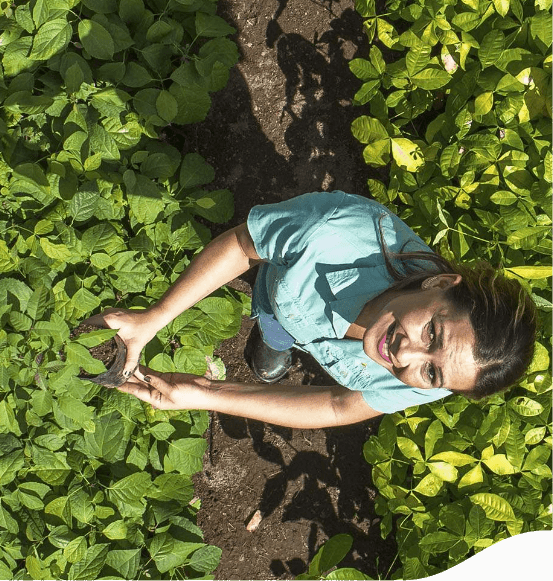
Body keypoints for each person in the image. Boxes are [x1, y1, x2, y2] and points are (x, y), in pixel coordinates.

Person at [88, 191, 537, 428]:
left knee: (282, 334)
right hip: (280, 294)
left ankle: (278, 345)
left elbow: (341, 407)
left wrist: (204, 395)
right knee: (273, 320)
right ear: (440, 284)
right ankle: (274, 339)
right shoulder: (335, 233)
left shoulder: (444, 375)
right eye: (432, 334)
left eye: (432, 372)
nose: (405, 356)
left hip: (298, 313)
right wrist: (153, 318)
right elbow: (245, 244)